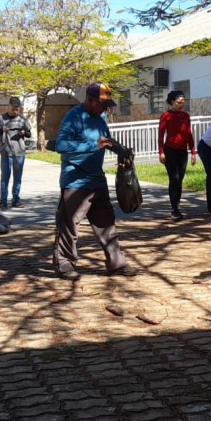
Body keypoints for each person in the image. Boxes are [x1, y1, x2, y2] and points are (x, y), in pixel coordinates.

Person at [53, 82, 138, 280]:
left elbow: (106, 140)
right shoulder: (73, 117)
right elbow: (60, 145)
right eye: (102, 103)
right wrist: (93, 144)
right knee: (69, 226)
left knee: (106, 223)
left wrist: (122, 151)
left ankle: (116, 264)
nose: (105, 108)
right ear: (90, 100)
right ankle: (64, 264)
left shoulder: (100, 116)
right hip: (75, 181)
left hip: (96, 179)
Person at [158, 90, 196, 220]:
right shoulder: (166, 115)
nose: (181, 104)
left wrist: (193, 151)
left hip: (182, 151)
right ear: (172, 102)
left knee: (179, 180)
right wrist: (161, 152)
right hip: (170, 150)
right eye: (179, 102)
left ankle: (177, 205)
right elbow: (161, 135)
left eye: (183, 102)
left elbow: (189, 134)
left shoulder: (186, 116)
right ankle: (174, 208)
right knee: (173, 178)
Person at [0, 96, 32, 209]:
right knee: (5, 177)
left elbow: (29, 134)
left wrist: (23, 133)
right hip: (6, 151)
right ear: (9, 106)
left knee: (17, 178)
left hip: (19, 152)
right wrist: (2, 130)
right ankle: (3, 201)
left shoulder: (22, 119)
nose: (15, 111)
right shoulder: (2, 118)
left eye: (17, 109)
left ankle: (16, 200)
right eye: (13, 109)